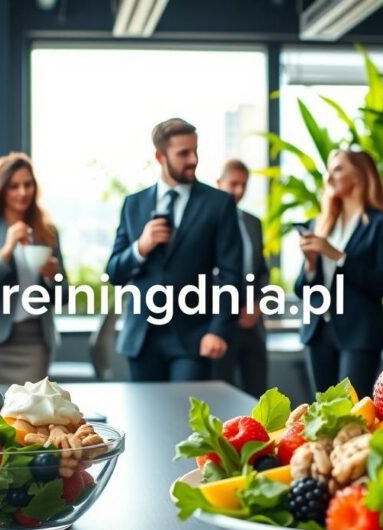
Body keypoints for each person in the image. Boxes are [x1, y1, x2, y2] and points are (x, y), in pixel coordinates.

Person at [106, 118, 242, 382]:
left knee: (185, 419)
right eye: (183, 153)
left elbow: (232, 275)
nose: (193, 159)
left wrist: (218, 330)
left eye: (195, 150)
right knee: (144, 420)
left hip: (193, 336)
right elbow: (114, 273)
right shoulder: (133, 205)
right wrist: (141, 247)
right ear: (160, 156)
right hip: (142, 337)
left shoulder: (218, 204)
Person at [294, 150, 383, 398]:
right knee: (321, 412)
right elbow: (302, 290)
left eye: (338, 168)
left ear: (360, 174)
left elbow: (381, 283)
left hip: (359, 333)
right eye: (329, 169)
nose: (329, 176)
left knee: (352, 411)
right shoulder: (319, 223)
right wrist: (310, 265)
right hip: (318, 331)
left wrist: (337, 255)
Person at [0, 153, 65, 385]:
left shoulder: (47, 231)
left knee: (31, 414)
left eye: (27, 184)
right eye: (14, 186)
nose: (23, 192)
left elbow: (64, 295)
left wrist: (53, 278)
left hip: (36, 339)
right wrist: (7, 249)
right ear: (1, 190)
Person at [211, 159, 269, 396]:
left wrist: (257, 304)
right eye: (233, 184)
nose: (239, 191)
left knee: (257, 396)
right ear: (218, 183)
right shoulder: (207, 222)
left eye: (244, 185)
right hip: (219, 323)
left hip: (252, 324)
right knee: (221, 396)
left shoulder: (252, 222)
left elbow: (262, 271)